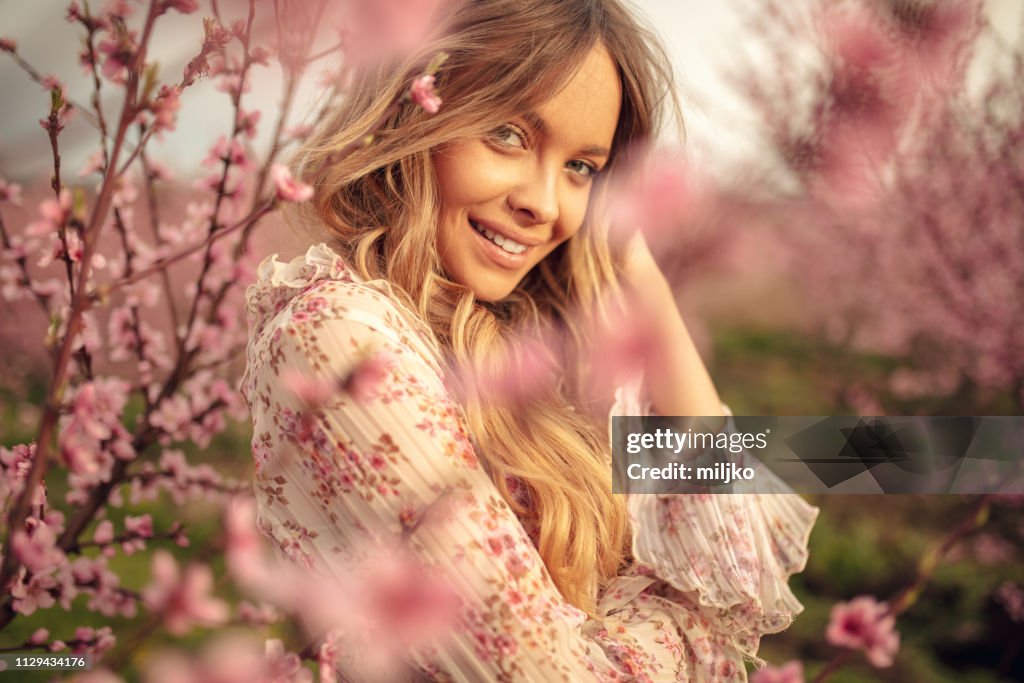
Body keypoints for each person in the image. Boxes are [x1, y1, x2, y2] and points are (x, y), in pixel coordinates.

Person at [240, 0, 819, 679]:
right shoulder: (339, 339)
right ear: (413, 106)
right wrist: (692, 608)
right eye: (508, 133)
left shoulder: (526, 355)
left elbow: (731, 504)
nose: (544, 205)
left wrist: (636, 266)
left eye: (582, 168)